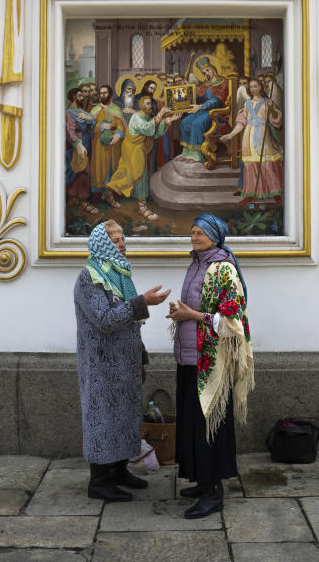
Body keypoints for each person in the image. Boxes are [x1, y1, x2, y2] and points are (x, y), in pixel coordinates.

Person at [74, 220, 171, 501]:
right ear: (102, 244)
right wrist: (143, 301)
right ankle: (99, 481)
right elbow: (105, 320)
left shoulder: (119, 275)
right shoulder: (90, 277)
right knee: (103, 419)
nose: (122, 245)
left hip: (125, 364)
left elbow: (131, 323)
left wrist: (139, 359)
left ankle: (118, 471)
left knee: (125, 418)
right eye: (115, 241)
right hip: (102, 366)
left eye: (123, 239)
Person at [166, 213, 254, 519]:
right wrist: (181, 312)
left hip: (211, 361)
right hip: (190, 357)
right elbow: (197, 308)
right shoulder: (197, 263)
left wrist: (193, 316)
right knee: (193, 421)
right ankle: (202, 481)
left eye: (200, 232)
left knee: (209, 425)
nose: (194, 236)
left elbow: (233, 320)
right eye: (192, 231)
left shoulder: (223, 268)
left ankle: (214, 491)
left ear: (215, 235)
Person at [106, 96, 178, 220]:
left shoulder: (146, 117)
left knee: (128, 174)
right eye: (147, 103)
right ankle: (142, 207)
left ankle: (107, 192)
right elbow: (147, 128)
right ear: (141, 105)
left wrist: (168, 120)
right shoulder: (136, 117)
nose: (150, 106)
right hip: (132, 150)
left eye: (151, 103)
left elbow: (154, 133)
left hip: (138, 149)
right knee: (139, 174)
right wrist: (160, 115)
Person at [221, 78, 284, 204]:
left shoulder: (267, 102)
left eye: (255, 86)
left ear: (260, 87)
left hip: (263, 135)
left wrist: (272, 109)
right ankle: (250, 193)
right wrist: (230, 135)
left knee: (267, 164)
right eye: (251, 87)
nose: (253, 89)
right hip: (249, 137)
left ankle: (275, 191)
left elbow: (276, 121)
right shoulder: (247, 104)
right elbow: (241, 123)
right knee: (251, 166)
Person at [178, 57, 230, 163]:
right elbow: (198, 96)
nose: (205, 73)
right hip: (203, 111)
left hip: (216, 113)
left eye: (207, 70)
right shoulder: (205, 84)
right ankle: (186, 153)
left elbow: (217, 101)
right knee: (184, 122)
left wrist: (201, 106)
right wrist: (188, 88)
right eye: (203, 72)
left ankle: (196, 155)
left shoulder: (223, 82)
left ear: (213, 69)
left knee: (197, 124)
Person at [89, 85, 126, 207]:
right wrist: (100, 126)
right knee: (102, 170)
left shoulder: (116, 109)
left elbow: (120, 125)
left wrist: (118, 135)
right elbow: (89, 128)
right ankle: (108, 196)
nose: (102, 95)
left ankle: (108, 193)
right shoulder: (95, 111)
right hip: (100, 147)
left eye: (105, 93)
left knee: (113, 169)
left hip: (114, 146)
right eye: (101, 93)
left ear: (109, 94)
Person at [66, 87, 99, 215]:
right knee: (79, 171)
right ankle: (83, 201)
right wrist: (77, 144)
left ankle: (75, 198)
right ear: (74, 97)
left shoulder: (80, 111)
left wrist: (89, 119)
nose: (83, 97)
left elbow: (92, 122)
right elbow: (69, 131)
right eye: (80, 95)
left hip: (86, 141)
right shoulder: (69, 112)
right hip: (77, 144)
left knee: (84, 171)